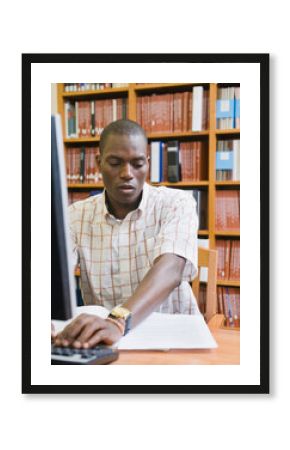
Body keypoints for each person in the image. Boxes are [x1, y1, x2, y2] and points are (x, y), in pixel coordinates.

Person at [53, 119, 199, 349]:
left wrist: (118, 320)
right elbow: (53, 276)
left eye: (137, 164)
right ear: (99, 162)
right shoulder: (75, 216)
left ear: (147, 164)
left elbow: (171, 269)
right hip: (103, 343)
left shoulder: (177, 204)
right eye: (115, 163)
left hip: (174, 341)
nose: (127, 173)